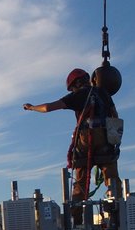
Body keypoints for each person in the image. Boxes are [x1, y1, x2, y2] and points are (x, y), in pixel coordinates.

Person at [23, 68, 121, 217]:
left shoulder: (77, 96)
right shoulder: (103, 93)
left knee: (80, 184)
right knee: (112, 179)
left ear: (74, 85)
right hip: (105, 140)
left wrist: (31, 107)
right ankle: (117, 214)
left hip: (85, 140)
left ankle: (77, 220)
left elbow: (48, 108)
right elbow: (115, 116)